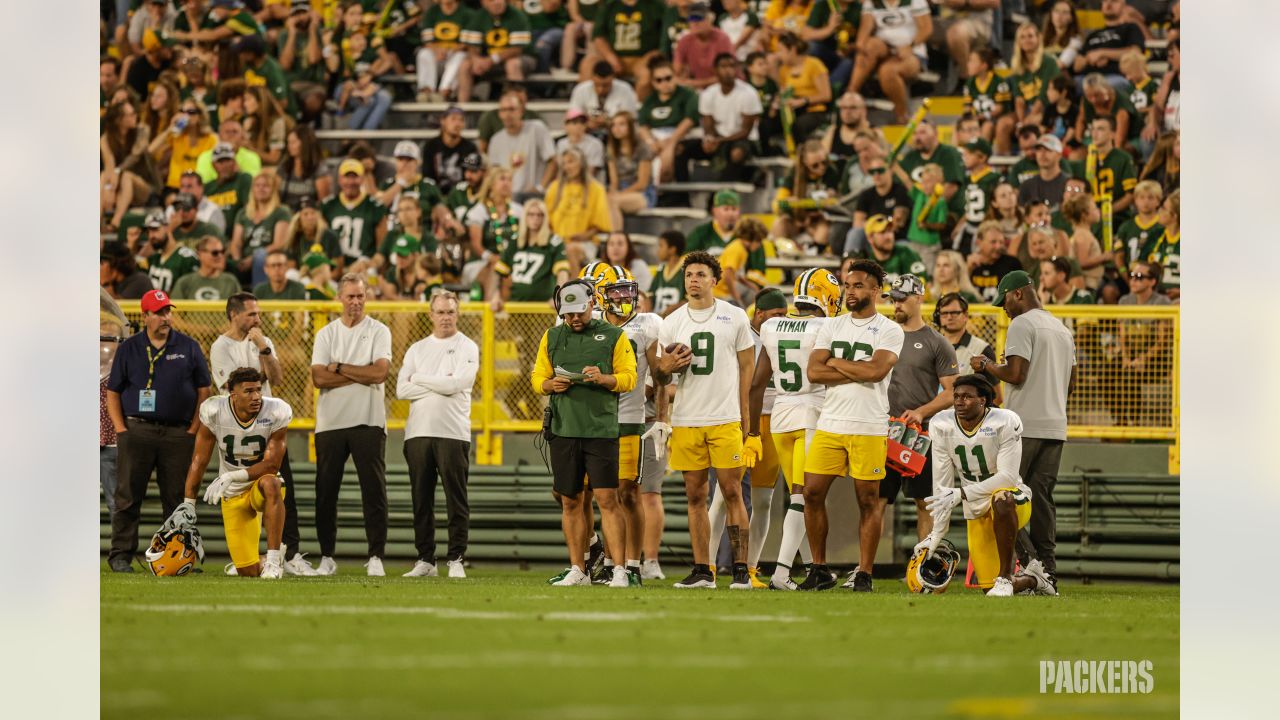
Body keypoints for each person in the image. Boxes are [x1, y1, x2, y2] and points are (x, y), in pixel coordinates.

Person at [801, 259, 903, 591]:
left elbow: (875, 372)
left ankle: (864, 572)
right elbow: (814, 373)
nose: (851, 290)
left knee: (867, 501)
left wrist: (834, 361)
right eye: (847, 285)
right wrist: (853, 367)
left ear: (876, 290)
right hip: (831, 421)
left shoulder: (890, 329)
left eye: (858, 285)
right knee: (812, 493)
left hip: (869, 424)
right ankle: (818, 568)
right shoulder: (831, 325)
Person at [657, 251, 757, 589]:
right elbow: (658, 374)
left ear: (715, 279)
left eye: (700, 274)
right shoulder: (671, 321)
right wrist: (665, 369)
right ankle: (703, 569)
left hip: (724, 417)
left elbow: (748, 368)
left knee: (732, 492)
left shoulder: (734, 316)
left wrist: (745, 417)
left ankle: (742, 568)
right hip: (687, 417)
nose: (693, 280)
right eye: (688, 275)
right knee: (694, 495)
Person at [972, 270, 1076, 590]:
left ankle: (1031, 564)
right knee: (1042, 500)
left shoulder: (1022, 323)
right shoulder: (1061, 328)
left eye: (1003, 299)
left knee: (1000, 496)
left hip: (1023, 425)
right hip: (1055, 426)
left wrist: (986, 366)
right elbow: (1070, 383)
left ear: (1018, 293)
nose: (1002, 307)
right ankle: (1048, 570)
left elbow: (1015, 373)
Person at [533, 280, 638, 586]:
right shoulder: (552, 335)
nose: (574, 319)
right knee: (570, 501)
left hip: (600, 427)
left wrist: (604, 379)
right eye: (568, 314)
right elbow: (538, 376)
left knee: (607, 499)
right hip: (564, 427)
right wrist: (549, 385)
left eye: (578, 312)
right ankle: (578, 568)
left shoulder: (615, 336)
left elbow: (629, 378)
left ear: (592, 304)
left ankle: (619, 569)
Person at [916, 375, 1057, 596]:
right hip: (975, 506)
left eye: (967, 397)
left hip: (1013, 499)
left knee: (1001, 498)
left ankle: (1005, 577)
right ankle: (1033, 580)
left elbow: (1008, 478)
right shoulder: (942, 424)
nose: (960, 402)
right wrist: (937, 531)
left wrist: (961, 493)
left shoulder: (1004, 421)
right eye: (957, 397)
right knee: (989, 589)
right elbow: (942, 485)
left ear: (983, 400)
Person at [208, 293, 315, 576]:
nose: (258, 319)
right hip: (238, 428)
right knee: (241, 493)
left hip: (268, 424)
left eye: (258, 313)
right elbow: (235, 385)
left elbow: (277, 378)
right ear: (234, 315)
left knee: (280, 487)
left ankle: (287, 553)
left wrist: (264, 348)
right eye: (252, 314)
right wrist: (260, 369)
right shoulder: (221, 346)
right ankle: (253, 557)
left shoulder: (263, 342)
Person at [105, 290, 213, 572]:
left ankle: (179, 558)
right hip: (137, 430)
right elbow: (113, 392)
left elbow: (205, 390)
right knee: (128, 496)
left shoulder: (189, 347)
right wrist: (121, 430)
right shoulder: (129, 348)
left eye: (168, 311)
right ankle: (120, 556)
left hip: (178, 433)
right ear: (145, 316)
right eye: (159, 312)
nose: (166, 317)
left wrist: (192, 429)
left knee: (177, 500)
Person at [748, 269, 841, 590]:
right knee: (803, 497)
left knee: (798, 496)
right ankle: (782, 572)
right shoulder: (827, 325)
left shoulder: (772, 325)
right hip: (811, 413)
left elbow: (757, 384)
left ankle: (809, 568)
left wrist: (751, 432)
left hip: (779, 417)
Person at [156, 368, 291, 579]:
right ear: (233, 394)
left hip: (258, 484)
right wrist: (189, 503)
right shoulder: (214, 410)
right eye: (248, 391)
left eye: (258, 390)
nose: (256, 396)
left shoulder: (276, 410)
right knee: (249, 572)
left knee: (272, 483)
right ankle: (262, 561)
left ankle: (274, 561)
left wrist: (231, 476)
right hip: (233, 494)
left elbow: (272, 465)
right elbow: (199, 460)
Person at [309, 274, 394, 577]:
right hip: (330, 423)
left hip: (368, 421)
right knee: (325, 492)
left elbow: (380, 373)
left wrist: (340, 367)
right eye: (350, 296)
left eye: (360, 296)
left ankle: (375, 556)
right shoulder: (326, 334)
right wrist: (361, 372)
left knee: (373, 491)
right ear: (339, 298)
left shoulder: (379, 331)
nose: (356, 302)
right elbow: (319, 378)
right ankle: (327, 556)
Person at [875, 273, 958, 565]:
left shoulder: (935, 342)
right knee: (874, 501)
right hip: (882, 432)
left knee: (924, 503)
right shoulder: (881, 333)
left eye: (901, 299)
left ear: (919, 298)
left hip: (917, 435)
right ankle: (864, 571)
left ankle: (921, 567)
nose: (895, 304)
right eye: (892, 299)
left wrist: (922, 411)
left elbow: (951, 392)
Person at [595, 265, 669, 584]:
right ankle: (613, 564)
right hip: (595, 421)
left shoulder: (648, 323)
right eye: (616, 291)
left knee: (629, 493)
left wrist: (667, 369)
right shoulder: (588, 324)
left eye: (628, 290)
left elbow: (660, 376)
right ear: (600, 296)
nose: (625, 297)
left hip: (630, 419)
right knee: (605, 497)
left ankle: (634, 565)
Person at [397, 292, 479, 579]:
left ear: (458, 314)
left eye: (450, 312)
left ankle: (456, 557)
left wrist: (419, 378)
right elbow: (401, 390)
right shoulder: (416, 349)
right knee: (421, 498)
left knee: (456, 497)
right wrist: (440, 383)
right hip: (418, 433)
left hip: (453, 433)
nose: (445, 317)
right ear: (430, 314)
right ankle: (425, 559)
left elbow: (458, 383)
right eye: (440, 312)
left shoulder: (467, 346)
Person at [850, 0, 931, 123]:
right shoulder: (872, 2)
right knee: (869, 47)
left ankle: (902, 115)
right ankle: (851, 94)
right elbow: (865, 30)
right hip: (884, 48)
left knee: (888, 72)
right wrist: (861, 45)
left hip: (912, 51)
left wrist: (910, 46)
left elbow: (926, 29)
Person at [492, 198, 571, 306]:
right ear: (525, 217)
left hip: (543, 308)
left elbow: (562, 272)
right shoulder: (515, 241)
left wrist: (558, 295)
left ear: (545, 218)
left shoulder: (553, 241)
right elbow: (499, 272)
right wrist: (496, 296)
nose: (535, 219)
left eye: (540, 215)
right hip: (516, 305)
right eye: (531, 214)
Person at [696, 53, 762, 182]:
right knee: (681, 150)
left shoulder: (749, 93)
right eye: (723, 66)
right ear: (715, 70)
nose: (728, 71)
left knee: (736, 153)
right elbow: (708, 125)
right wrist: (710, 139)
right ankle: (679, 198)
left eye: (732, 66)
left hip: (744, 140)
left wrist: (720, 141)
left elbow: (745, 132)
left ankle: (722, 190)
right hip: (719, 138)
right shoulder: (708, 94)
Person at [544, 147, 613, 269]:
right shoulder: (554, 187)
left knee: (570, 250)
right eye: (564, 163)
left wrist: (583, 236)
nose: (567, 167)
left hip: (585, 243)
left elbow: (600, 226)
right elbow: (546, 221)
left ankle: (572, 287)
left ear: (581, 163)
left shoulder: (596, 189)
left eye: (571, 161)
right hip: (556, 241)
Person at [585, 0, 665, 98]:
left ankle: (638, 109)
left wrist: (649, 57)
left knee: (646, 74)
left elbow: (664, 39)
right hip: (613, 57)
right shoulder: (609, 6)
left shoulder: (656, 5)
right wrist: (610, 56)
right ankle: (592, 107)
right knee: (588, 65)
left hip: (642, 59)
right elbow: (598, 36)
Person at [487, 90, 559, 198]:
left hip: (534, 195)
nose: (507, 114)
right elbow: (494, 171)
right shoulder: (496, 139)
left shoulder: (537, 128)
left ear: (521, 111)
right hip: (509, 196)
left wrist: (541, 187)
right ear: (499, 114)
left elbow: (553, 161)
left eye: (511, 109)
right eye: (503, 110)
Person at [640, 57, 700, 183]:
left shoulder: (687, 94)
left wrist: (671, 143)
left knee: (668, 162)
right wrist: (652, 142)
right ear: (653, 83)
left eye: (668, 78)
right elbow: (643, 126)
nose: (665, 83)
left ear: (675, 77)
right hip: (655, 137)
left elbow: (689, 120)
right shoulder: (650, 100)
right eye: (659, 80)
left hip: (680, 135)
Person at [457, 0, 532, 102]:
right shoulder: (478, 16)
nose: (497, 2)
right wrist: (476, 59)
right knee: (465, 65)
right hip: (488, 60)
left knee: (512, 64)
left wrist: (491, 60)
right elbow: (471, 45)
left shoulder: (517, 16)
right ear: (483, 2)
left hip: (521, 58)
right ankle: (462, 108)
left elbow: (517, 49)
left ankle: (517, 106)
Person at [322, 158, 388, 272]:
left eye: (355, 177)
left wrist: (370, 265)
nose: (351, 182)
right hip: (334, 268)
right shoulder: (328, 206)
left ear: (362, 179)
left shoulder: (374, 207)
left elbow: (382, 249)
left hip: (364, 268)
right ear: (339, 180)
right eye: (347, 177)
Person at [100, 100, 157, 232]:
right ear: (119, 120)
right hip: (120, 187)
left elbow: (135, 156)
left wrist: (117, 171)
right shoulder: (106, 139)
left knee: (126, 176)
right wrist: (109, 188)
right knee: (103, 175)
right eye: (130, 114)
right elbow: (109, 165)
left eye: (134, 113)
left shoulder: (142, 131)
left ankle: (115, 223)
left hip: (145, 185)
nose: (135, 116)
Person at [230, 171, 291, 286]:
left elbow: (279, 244)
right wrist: (238, 260)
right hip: (245, 257)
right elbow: (236, 242)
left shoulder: (281, 212)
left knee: (259, 256)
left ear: (273, 190)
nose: (261, 189)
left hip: (268, 256)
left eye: (266, 186)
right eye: (257, 185)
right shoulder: (243, 213)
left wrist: (252, 259)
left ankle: (259, 295)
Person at [934, 291, 1000, 396]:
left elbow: (996, 396)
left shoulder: (981, 349)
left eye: (955, 313)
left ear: (965, 315)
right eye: (944, 313)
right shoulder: (931, 346)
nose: (949, 317)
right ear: (938, 317)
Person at [1071, 0, 1144, 90]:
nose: (1109, 4)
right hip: (1087, 77)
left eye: (1114, 1)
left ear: (1124, 6)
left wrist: (1102, 53)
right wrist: (1090, 59)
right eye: (1105, 1)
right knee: (1069, 85)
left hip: (1116, 76)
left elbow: (1136, 52)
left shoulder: (1131, 28)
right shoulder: (1093, 34)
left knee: (1107, 86)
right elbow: (1076, 66)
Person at [775, 32, 832, 145]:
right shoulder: (783, 70)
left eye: (781, 51)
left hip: (815, 110)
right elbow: (783, 91)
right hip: (792, 110)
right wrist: (779, 100)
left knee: (798, 126)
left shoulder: (814, 64)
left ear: (792, 49)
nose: (778, 55)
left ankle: (802, 156)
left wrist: (803, 101)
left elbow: (826, 95)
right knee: (767, 123)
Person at [605, 111, 654, 230]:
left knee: (612, 201)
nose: (616, 128)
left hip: (641, 193)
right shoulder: (611, 150)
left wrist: (618, 194)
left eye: (621, 124)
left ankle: (616, 237)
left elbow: (642, 184)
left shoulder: (642, 148)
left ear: (630, 127)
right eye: (613, 125)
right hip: (620, 191)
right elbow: (614, 182)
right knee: (603, 200)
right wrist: (612, 192)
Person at [415, 0, 473, 102]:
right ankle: (426, 91)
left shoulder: (467, 13)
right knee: (423, 53)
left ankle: (444, 91)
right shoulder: (431, 12)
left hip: (454, 53)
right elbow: (427, 40)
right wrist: (437, 50)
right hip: (436, 55)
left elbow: (466, 43)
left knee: (461, 56)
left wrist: (449, 51)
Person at [855, 214, 928, 286]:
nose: (889, 236)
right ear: (870, 238)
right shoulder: (865, 262)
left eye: (890, 231)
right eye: (882, 232)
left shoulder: (906, 254)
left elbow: (921, 285)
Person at [1010, 23, 1058, 128]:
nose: (1026, 40)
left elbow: (1043, 95)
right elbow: (1019, 99)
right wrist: (1021, 122)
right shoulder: (1016, 65)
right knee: (1003, 124)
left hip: (1046, 108)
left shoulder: (1049, 62)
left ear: (1038, 38)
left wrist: (1028, 120)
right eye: (1022, 37)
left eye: (1030, 36)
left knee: (1031, 124)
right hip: (1025, 109)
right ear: (1018, 42)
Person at [138, 211, 198, 294]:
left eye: (155, 229)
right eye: (148, 232)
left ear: (167, 228)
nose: (151, 236)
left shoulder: (187, 258)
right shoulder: (154, 258)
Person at [1112, 180, 1164, 275]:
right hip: (1130, 275)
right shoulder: (1126, 227)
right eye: (1142, 197)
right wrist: (1126, 276)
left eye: (1151, 198)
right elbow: (1118, 256)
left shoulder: (1162, 226)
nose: (1146, 201)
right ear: (1135, 200)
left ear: (1158, 201)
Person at [424, 106, 480, 193]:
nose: (457, 124)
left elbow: (471, 172)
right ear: (443, 121)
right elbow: (427, 176)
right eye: (453, 119)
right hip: (435, 194)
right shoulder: (432, 146)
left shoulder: (469, 148)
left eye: (461, 120)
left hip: (462, 194)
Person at [171, 235, 242, 301]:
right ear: (199, 254)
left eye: (222, 252)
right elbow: (175, 312)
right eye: (215, 253)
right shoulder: (184, 282)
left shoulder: (231, 282)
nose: (220, 256)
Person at [1061, 193, 1107, 292]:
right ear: (1084, 215)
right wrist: (1105, 256)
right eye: (1094, 208)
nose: (1098, 210)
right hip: (1088, 285)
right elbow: (1082, 262)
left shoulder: (1082, 233)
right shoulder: (1083, 235)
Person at [278, 126, 331, 210]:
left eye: (293, 142)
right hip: (285, 216)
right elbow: (275, 197)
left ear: (305, 143)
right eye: (288, 142)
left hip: (309, 217)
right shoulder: (284, 166)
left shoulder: (319, 169)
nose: (289, 146)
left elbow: (323, 203)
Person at [203, 142, 254, 230]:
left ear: (234, 162)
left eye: (228, 160)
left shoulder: (243, 180)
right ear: (213, 165)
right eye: (220, 162)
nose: (225, 165)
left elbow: (249, 210)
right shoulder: (207, 188)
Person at [1140, 188, 1179, 299]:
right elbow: (1141, 265)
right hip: (1154, 297)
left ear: (1174, 216)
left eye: (1163, 208)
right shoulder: (1155, 235)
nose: (1159, 210)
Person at [165, 172, 230, 236]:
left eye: (189, 186)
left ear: (201, 188)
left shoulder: (213, 211)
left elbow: (218, 241)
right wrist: (172, 226)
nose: (184, 191)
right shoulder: (171, 209)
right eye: (182, 186)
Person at [1017, 134, 1068, 211]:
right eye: (1039, 150)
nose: (1042, 154)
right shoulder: (1026, 186)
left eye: (1048, 150)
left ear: (1059, 155)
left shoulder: (1069, 184)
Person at [649, 230, 688, 316]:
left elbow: (690, 301)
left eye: (661, 246)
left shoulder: (686, 270)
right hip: (657, 320)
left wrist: (671, 310)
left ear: (672, 249)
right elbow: (650, 296)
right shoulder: (661, 269)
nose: (658, 251)